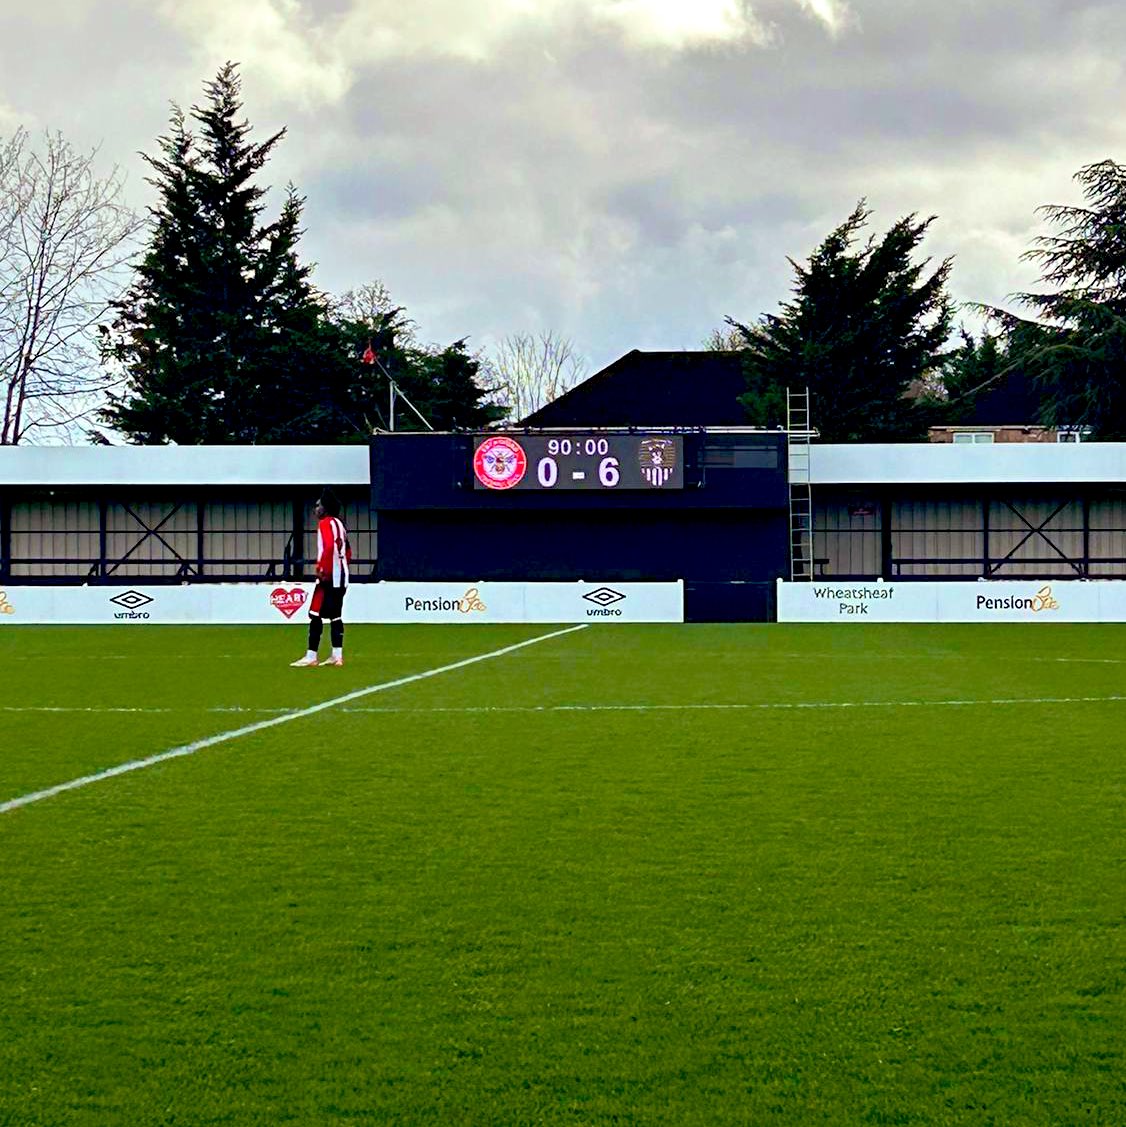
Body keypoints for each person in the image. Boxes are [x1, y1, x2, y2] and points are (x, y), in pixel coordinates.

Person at [291, 487, 351, 667]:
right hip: (342, 577)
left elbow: (328, 547)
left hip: (329, 577)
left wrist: (322, 568)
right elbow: (347, 551)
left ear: (325, 507)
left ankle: (311, 656)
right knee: (336, 615)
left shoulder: (325, 523)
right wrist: (342, 566)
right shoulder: (340, 524)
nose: (315, 509)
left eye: (318, 505)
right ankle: (337, 656)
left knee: (314, 613)